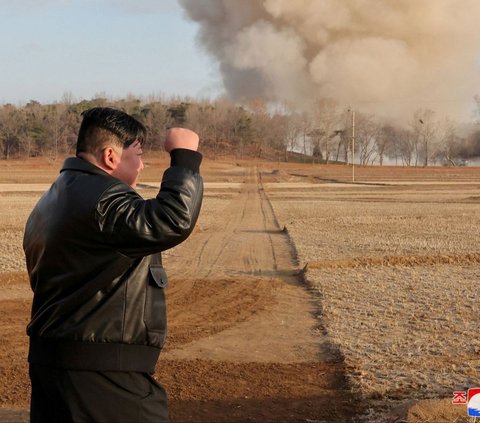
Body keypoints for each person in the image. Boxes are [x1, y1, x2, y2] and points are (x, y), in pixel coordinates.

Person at [23, 107, 203, 423]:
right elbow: (171, 219)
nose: (143, 165)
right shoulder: (103, 198)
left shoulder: (53, 198)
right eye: (138, 154)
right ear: (110, 156)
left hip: (56, 368)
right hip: (104, 378)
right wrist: (184, 156)